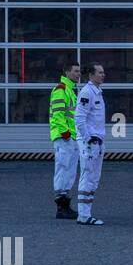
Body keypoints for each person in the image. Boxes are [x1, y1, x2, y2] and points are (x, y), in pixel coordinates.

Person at [73, 63, 107, 226]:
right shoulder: (87, 92)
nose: (103, 75)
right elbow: (79, 118)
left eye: (103, 72)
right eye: (100, 72)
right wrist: (87, 139)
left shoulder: (97, 92)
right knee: (88, 177)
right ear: (91, 75)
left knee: (94, 178)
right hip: (91, 143)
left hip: (97, 142)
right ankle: (84, 215)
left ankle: (86, 214)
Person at [49, 61, 81, 220]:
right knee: (63, 169)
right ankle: (61, 208)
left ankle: (65, 205)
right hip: (64, 137)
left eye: (79, 71)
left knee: (69, 171)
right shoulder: (61, 89)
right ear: (67, 73)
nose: (78, 74)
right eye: (75, 71)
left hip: (71, 137)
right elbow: (58, 115)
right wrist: (66, 133)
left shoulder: (70, 90)